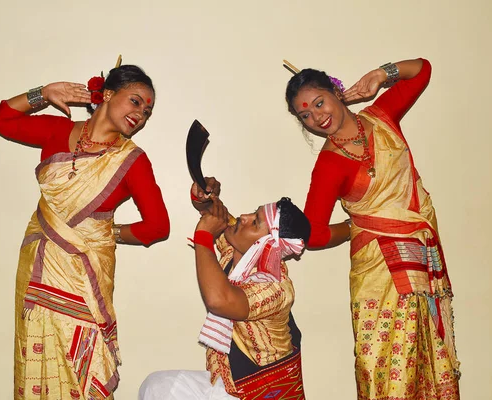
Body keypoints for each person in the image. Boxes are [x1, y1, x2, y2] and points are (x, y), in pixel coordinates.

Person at [0, 63, 170, 400]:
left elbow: (158, 227)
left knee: (81, 368)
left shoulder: (132, 161)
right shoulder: (57, 132)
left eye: (147, 110)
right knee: (37, 362)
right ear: (108, 94)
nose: (141, 114)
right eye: (135, 101)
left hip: (84, 280)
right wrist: (43, 94)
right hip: (39, 270)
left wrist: (102, 232)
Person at [285, 59, 460, 399]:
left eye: (319, 102)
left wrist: (381, 75)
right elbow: (312, 232)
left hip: (421, 261)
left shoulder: (382, 115)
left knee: (428, 358)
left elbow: (422, 70)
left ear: (337, 92)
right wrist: (355, 227)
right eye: (305, 115)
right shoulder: (328, 164)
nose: (316, 117)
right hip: (378, 275)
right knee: (386, 368)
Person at [138, 179, 310, 400]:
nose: (244, 217)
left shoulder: (275, 287)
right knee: (157, 387)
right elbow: (219, 218)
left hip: (259, 392)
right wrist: (205, 197)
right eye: (253, 213)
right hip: (228, 383)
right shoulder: (237, 250)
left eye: (255, 222)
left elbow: (219, 300)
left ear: (268, 246)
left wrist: (203, 237)